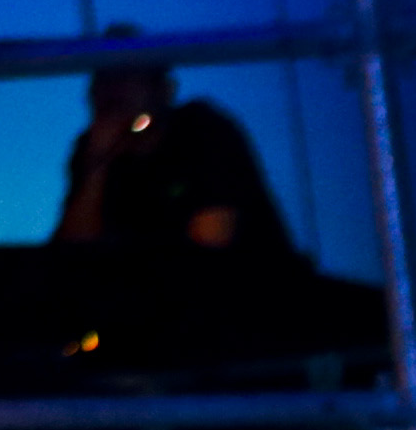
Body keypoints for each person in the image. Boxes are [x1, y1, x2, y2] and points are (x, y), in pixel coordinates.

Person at [53, 35, 298, 262]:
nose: (113, 91)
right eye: (104, 80)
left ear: (164, 90)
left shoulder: (202, 129)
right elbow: (71, 257)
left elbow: (211, 246)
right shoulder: (92, 152)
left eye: (126, 77)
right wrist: (97, 166)